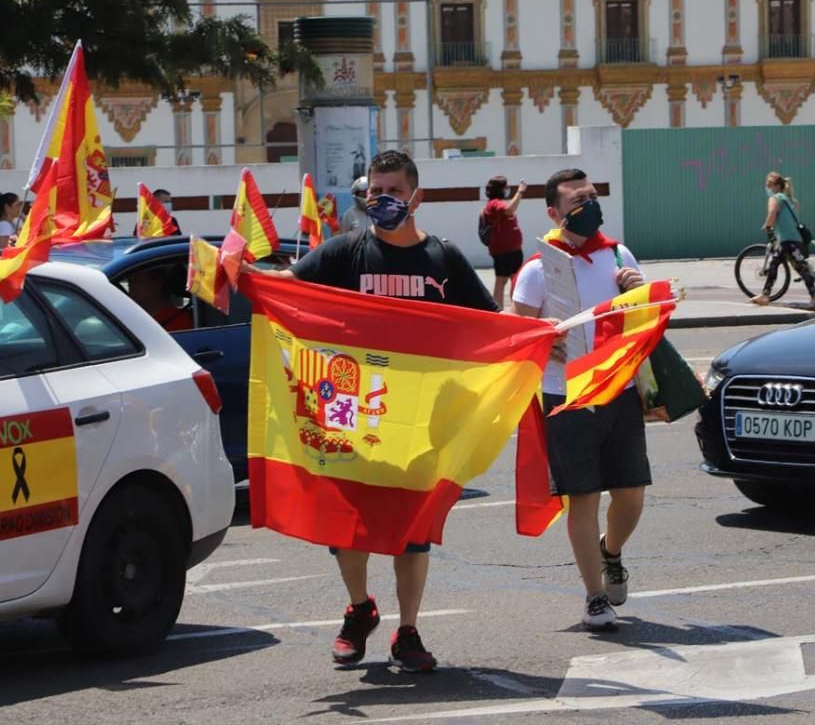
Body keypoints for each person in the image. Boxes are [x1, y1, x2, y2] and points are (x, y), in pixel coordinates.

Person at [267, 150, 498, 672]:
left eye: (392, 190)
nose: (382, 200)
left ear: (416, 196)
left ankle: (408, 631)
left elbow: (490, 325)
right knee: (349, 527)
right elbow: (285, 290)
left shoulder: (445, 258)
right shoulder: (345, 252)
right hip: (355, 417)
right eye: (375, 191)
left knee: (411, 532)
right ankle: (359, 609)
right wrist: (235, 273)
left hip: (422, 423)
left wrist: (536, 336)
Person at [511, 167, 649, 632]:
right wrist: (538, 340)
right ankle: (594, 596)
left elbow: (647, 319)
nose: (588, 206)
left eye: (591, 196)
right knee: (584, 497)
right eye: (577, 201)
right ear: (555, 213)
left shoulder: (618, 255)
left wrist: (638, 293)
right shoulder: (537, 269)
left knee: (631, 495)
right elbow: (517, 331)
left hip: (619, 389)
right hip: (565, 396)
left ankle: (611, 552)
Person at [752, 172, 815, 312]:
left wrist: (768, 226)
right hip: (792, 239)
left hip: (787, 240)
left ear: (776, 186)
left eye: (769, 185)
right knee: (775, 264)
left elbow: (772, 212)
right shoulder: (790, 199)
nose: (766, 187)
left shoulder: (775, 198)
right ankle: (765, 295)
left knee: (801, 269)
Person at [480, 176, 526, 309]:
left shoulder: (499, 203)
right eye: (505, 187)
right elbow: (509, 210)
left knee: (515, 279)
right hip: (504, 251)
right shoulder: (494, 203)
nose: (507, 189)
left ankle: (516, 309)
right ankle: (497, 310)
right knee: (501, 280)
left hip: (513, 250)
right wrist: (520, 192)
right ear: (500, 189)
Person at [127, 266, 194, 332]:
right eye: (130, 280)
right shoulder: (135, 318)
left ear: (158, 283)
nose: (130, 284)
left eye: (137, 280)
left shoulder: (180, 321)